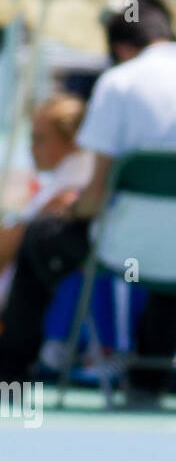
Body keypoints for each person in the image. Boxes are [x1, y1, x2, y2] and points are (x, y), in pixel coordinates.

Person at [0, 0, 176, 406]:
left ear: (121, 48)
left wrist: (69, 210)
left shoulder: (120, 82)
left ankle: (12, 375)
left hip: (122, 248)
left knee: (41, 236)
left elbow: (97, 196)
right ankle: (148, 382)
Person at [0, 95, 93, 317]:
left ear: (73, 140)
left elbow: (14, 240)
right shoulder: (73, 178)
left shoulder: (69, 189)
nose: (31, 147)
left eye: (39, 139)